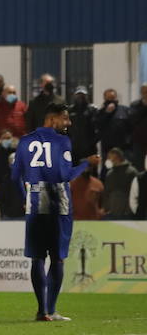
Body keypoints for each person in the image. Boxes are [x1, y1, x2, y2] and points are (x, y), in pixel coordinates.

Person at [12, 102, 98, 320]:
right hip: (57, 198)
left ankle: (42, 311)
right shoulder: (62, 141)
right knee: (57, 257)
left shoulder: (25, 141)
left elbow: (14, 177)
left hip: (35, 197)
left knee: (37, 257)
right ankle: (52, 309)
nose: (68, 123)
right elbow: (65, 175)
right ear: (52, 120)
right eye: (65, 118)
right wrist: (86, 164)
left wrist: (26, 199)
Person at [95, 89, 131, 169]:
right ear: (105, 99)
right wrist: (107, 113)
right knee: (107, 171)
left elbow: (131, 127)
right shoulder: (100, 112)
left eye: (113, 98)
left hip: (123, 149)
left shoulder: (125, 110)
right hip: (107, 150)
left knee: (123, 171)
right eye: (109, 99)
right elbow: (98, 126)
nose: (111, 101)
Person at [101, 148, 138, 218]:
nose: (108, 160)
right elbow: (106, 193)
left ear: (117, 157)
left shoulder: (132, 172)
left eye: (109, 157)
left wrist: (130, 210)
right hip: (112, 213)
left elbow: (135, 193)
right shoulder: (110, 174)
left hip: (127, 213)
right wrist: (104, 208)